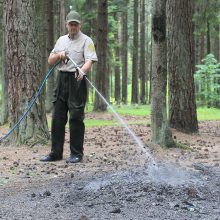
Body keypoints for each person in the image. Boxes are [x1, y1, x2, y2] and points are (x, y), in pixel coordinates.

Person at [40, 10, 98, 163]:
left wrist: (83, 70)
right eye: (70, 24)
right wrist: (59, 55)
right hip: (62, 80)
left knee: (76, 117)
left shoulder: (87, 41)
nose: (73, 27)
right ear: (66, 24)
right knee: (58, 117)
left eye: (75, 24)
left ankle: (76, 154)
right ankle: (55, 153)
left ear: (80, 25)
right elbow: (50, 61)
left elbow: (90, 60)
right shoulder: (61, 41)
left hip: (76, 80)